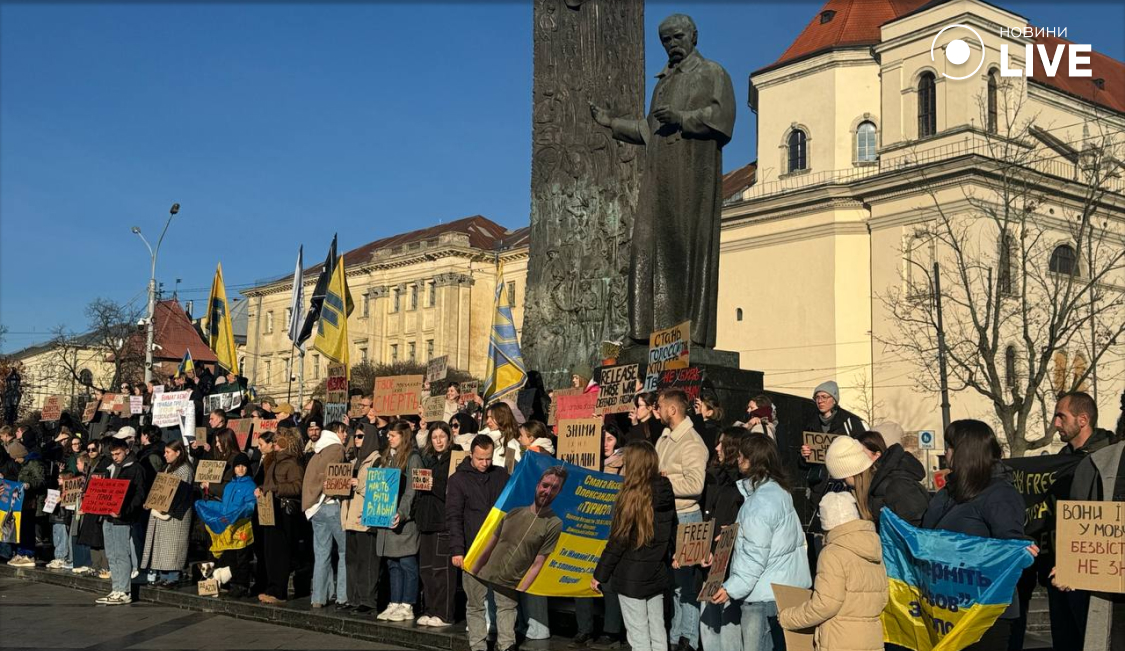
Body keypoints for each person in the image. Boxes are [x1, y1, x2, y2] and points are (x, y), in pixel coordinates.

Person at [589, 13, 735, 348]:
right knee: (645, 247)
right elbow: (647, 128)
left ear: (693, 36)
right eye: (666, 40)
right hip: (659, 179)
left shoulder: (712, 73)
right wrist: (610, 122)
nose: (672, 44)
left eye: (677, 37)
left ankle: (685, 335)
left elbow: (722, 117)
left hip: (690, 179)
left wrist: (682, 118)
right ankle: (644, 333)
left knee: (684, 251)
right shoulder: (663, 83)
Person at [921, 420, 1036, 650]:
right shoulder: (947, 493)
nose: (945, 452)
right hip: (946, 608)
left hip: (983, 614)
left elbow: (1010, 543)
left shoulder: (999, 493)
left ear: (966, 452)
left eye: (951, 446)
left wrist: (1022, 550)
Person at [714, 434, 811, 651]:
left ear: (752, 461)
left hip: (763, 596)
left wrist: (731, 588)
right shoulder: (778, 492)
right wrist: (736, 534)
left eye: (741, 456)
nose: (737, 460)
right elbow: (773, 539)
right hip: (786, 588)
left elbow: (754, 557)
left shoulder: (758, 505)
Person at [1046, 391, 1118, 650]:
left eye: (1061, 416)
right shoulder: (1059, 461)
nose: (1055, 423)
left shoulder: (1110, 459)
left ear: (1083, 419)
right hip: (1059, 572)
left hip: (1097, 577)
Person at [777, 491, 888, 651]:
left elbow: (826, 605)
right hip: (872, 639)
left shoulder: (832, 553)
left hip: (840, 640)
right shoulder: (873, 549)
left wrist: (788, 617)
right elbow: (883, 598)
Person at [593, 442, 676, 651]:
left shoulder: (631, 495)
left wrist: (599, 574)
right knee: (658, 630)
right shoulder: (665, 490)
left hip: (631, 575)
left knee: (638, 635)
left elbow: (618, 541)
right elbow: (673, 528)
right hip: (657, 570)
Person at [654, 389, 708, 651]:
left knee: (687, 582)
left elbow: (695, 484)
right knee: (674, 584)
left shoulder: (692, 443)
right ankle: (676, 635)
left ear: (672, 410)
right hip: (667, 517)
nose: (657, 409)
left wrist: (664, 482)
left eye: (660, 405)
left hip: (687, 516)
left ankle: (689, 638)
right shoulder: (663, 439)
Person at [447, 434, 510, 651]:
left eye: (489, 459)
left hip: (502, 550)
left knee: (506, 603)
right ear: (471, 455)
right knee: (475, 604)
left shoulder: (501, 475)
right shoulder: (457, 480)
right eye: (480, 459)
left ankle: (507, 646)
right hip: (473, 550)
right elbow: (453, 517)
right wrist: (457, 550)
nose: (485, 463)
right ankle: (478, 646)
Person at [699, 427, 748, 651]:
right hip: (710, 557)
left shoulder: (744, 482)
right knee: (708, 618)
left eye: (722, 444)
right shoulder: (714, 476)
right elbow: (708, 514)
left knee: (729, 619)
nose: (716, 448)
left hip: (730, 561)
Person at [825, 435, 929, 529]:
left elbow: (917, 534)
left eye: (843, 479)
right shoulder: (873, 488)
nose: (843, 484)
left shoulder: (898, 486)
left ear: (851, 472)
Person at [375, 421, 423, 622]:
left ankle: (407, 603)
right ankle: (394, 602)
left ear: (403, 436)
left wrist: (402, 513)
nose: (388, 437)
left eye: (393, 435)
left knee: (407, 562)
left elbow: (412, 490)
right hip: (385, 518)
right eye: (388, 435)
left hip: (403, 520)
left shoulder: (413, 458)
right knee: (392, 563)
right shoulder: (386, 457)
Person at [195, 453, 257, 598]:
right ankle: (233, 583)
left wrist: (238, 513)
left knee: (242, 558)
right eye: (237, 466)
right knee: (230, 556)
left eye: (243, 466)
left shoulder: (250, 485)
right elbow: (224, 506)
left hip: (241, 527)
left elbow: (251, 506)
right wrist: (207, 505)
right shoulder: (229, 486)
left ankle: (242, 585)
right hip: (229, 527)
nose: (240, 469)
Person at [302, 420, 347, 608]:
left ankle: (318, 598)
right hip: (330, 504)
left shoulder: (317, 450)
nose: (346, 435)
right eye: (344, 432)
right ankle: (343, 596)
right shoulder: (336, 448)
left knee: (321, 554)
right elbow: (336, 477)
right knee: (345, 552)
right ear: (336, 432)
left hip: (315, 507)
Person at [96, 437, 147, 606]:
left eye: (118, 454)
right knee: (111, 553)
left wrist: (125, 512)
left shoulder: (136, 468)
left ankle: (124, 590)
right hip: (108, 516)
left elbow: (139, 495)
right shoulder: (110, 468)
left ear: (126, 450)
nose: (115, 457)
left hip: (122, 517)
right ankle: (116, 588)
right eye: (112, 454)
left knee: (121, 553)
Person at [415, 422, 456, 627]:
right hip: (426, 521)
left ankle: (444, 613)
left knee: (443, 571)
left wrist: (433, 484)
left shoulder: (455, 459)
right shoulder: (428, 459)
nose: (438, 441)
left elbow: (454, 491)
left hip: (443, 522)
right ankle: (430, 609)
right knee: (427, 569)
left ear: (449, 438)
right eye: (434, 437)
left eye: (442, 436)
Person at [256, 431, 304, 604]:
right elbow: (270, 484)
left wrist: (276, 488)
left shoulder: (292, 463)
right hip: (270, 509)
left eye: (277, 441)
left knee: (280, 552)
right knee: (270, 551)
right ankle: (272, 587)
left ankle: (279, 591)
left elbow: (297, 487)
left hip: (283, 511)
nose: (274, 443)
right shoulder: (274, 461)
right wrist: (262, 488)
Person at [140, 440, 194, 585]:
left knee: (173, 547)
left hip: (175, 514)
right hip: (161, 511)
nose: (165, 455)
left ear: (178, 453)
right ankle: (163, 575)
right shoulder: (168, 467)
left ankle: (173, 577)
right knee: (162, 546)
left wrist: (164, 506)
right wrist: (151, 502)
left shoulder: (185, 470)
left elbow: (179, 494)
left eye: (168, 452)